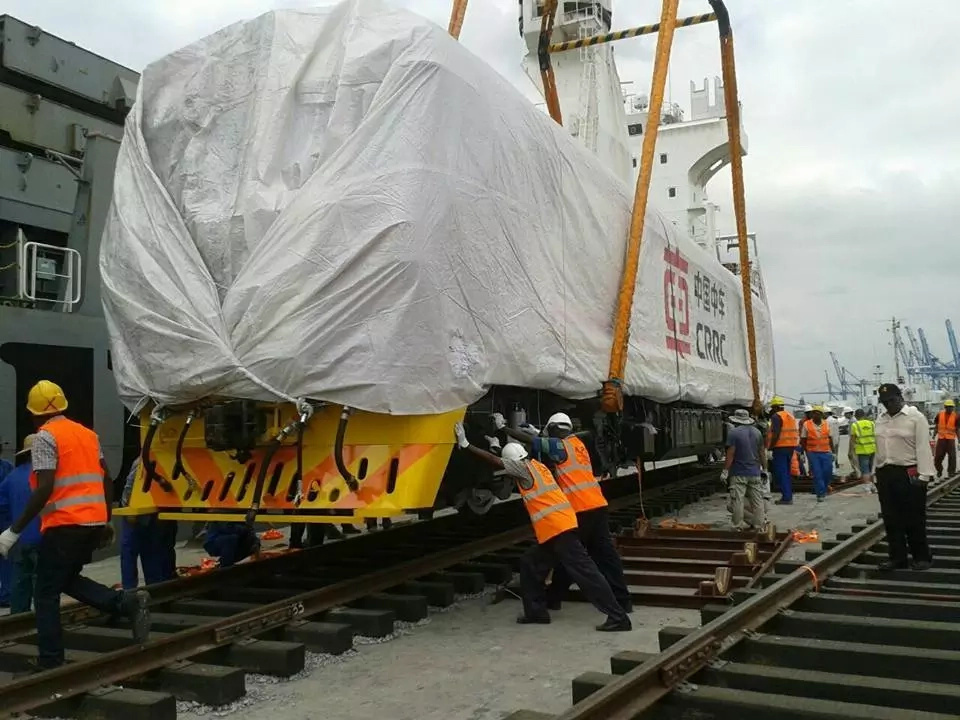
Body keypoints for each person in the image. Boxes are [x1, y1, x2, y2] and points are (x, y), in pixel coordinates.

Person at [0, 380, 150, 669]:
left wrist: (13, 531)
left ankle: (51, 660)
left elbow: (44, 488)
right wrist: (105, 520)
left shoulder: (45, 437)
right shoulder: (88, 435)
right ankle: (123, 604)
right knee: (64, 578)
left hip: (65, 526)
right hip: (91, 524)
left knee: (45, 591)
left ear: (34, 414)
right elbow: (106, 479)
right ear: (64, 406)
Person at [453, 423, 630, 631]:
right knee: (529, 563)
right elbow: (509, 458)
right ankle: (536, 612)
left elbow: (496, 461)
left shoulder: (522, 469)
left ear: (513, 463)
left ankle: (618, 617)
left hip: (558, 530)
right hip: (558, 528)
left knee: (586, 573)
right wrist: (496, 442)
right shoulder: (538, 465)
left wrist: (466, 445)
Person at [493, 412, 632, 615]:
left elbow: (536, 443)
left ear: (554, 429)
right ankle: (623, 601)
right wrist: (540, 434)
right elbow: (546, 443)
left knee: (572, 560)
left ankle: (561, 600)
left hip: (579, 510)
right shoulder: (576, 443)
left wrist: (503, 429)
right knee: (605, 557)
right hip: (598, 505)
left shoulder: (560, 447)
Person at [874, 383, 935, 571]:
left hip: (909, 473)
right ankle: (897, 557)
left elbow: (923, 448)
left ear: (900, 398)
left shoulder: (916, 418)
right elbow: (879, 448)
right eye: (885, 402)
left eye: (891, 400)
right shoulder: (880, 419)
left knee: (914, 518)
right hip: (885, 473)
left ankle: (921, 557)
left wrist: (924, 476)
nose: (888, 405)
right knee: (891, 519)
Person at [0, 435, 42, 613]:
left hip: (19, 540)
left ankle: (18, 621)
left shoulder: (12, 476)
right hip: (44, 538)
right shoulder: (47, 476)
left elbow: (2, 505)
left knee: (19, 586)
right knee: (43, 586)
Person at [119, 459, 175, 588]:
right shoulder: (142, 462)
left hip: (150, 511)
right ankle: (134, 588)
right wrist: (129, 509)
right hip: (139, 511)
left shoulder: (146, 462)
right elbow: (130, 486)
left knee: (144, 551)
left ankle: (150, 587)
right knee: (137, 551)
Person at [720, 409, 767, 530]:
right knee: (757, 501)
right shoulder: (757, 433)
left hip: (738, 473)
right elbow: (762, 453)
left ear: (735, 420)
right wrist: (765, 469)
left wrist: (725, 471)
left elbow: (731, 453)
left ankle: (737, 526)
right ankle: (759, 526)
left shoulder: (734, 433)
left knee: (737, 501)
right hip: (755, 472)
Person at [765, 397, 799, 505]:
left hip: (780, 447)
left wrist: (770, 447)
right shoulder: (790, 416)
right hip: (790, 447)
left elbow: (776, 433)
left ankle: (786, 497)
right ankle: (788, 494)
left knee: (782, 472)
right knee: (786, 472)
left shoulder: (776, 416)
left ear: (775, 407)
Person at [851, 409, 877, 493]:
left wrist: (851, 451)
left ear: (856, 416)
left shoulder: (855, 425)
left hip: (862, 451)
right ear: (864, 415)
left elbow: (853, 440)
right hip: (873, 449)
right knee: (872, 469)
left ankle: (867, 488)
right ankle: (874, 486)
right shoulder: (872, 423)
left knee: (865, 470)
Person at [933, 399, 958, 478]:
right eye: (948, 407)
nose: (950, 409)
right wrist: (934, 434)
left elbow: (957, 429)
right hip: (941, 439)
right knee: (938, 457)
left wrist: (959, 438)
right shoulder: (940, 414)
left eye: (951, 407)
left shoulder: (956, 416)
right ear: (945, 407)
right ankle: (939, 470)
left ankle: (951, 472)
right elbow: (937, 425)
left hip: (951, 439)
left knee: (952, 456)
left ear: (953, 408)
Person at [823, 405, 841, 470]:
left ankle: (833, 467)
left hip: (830, 440)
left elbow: (828, 433)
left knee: (831, 454)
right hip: (837, 439)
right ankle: (836, 463)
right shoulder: (835, 420)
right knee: (836, 453)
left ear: (826, 413)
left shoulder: (826, 421)